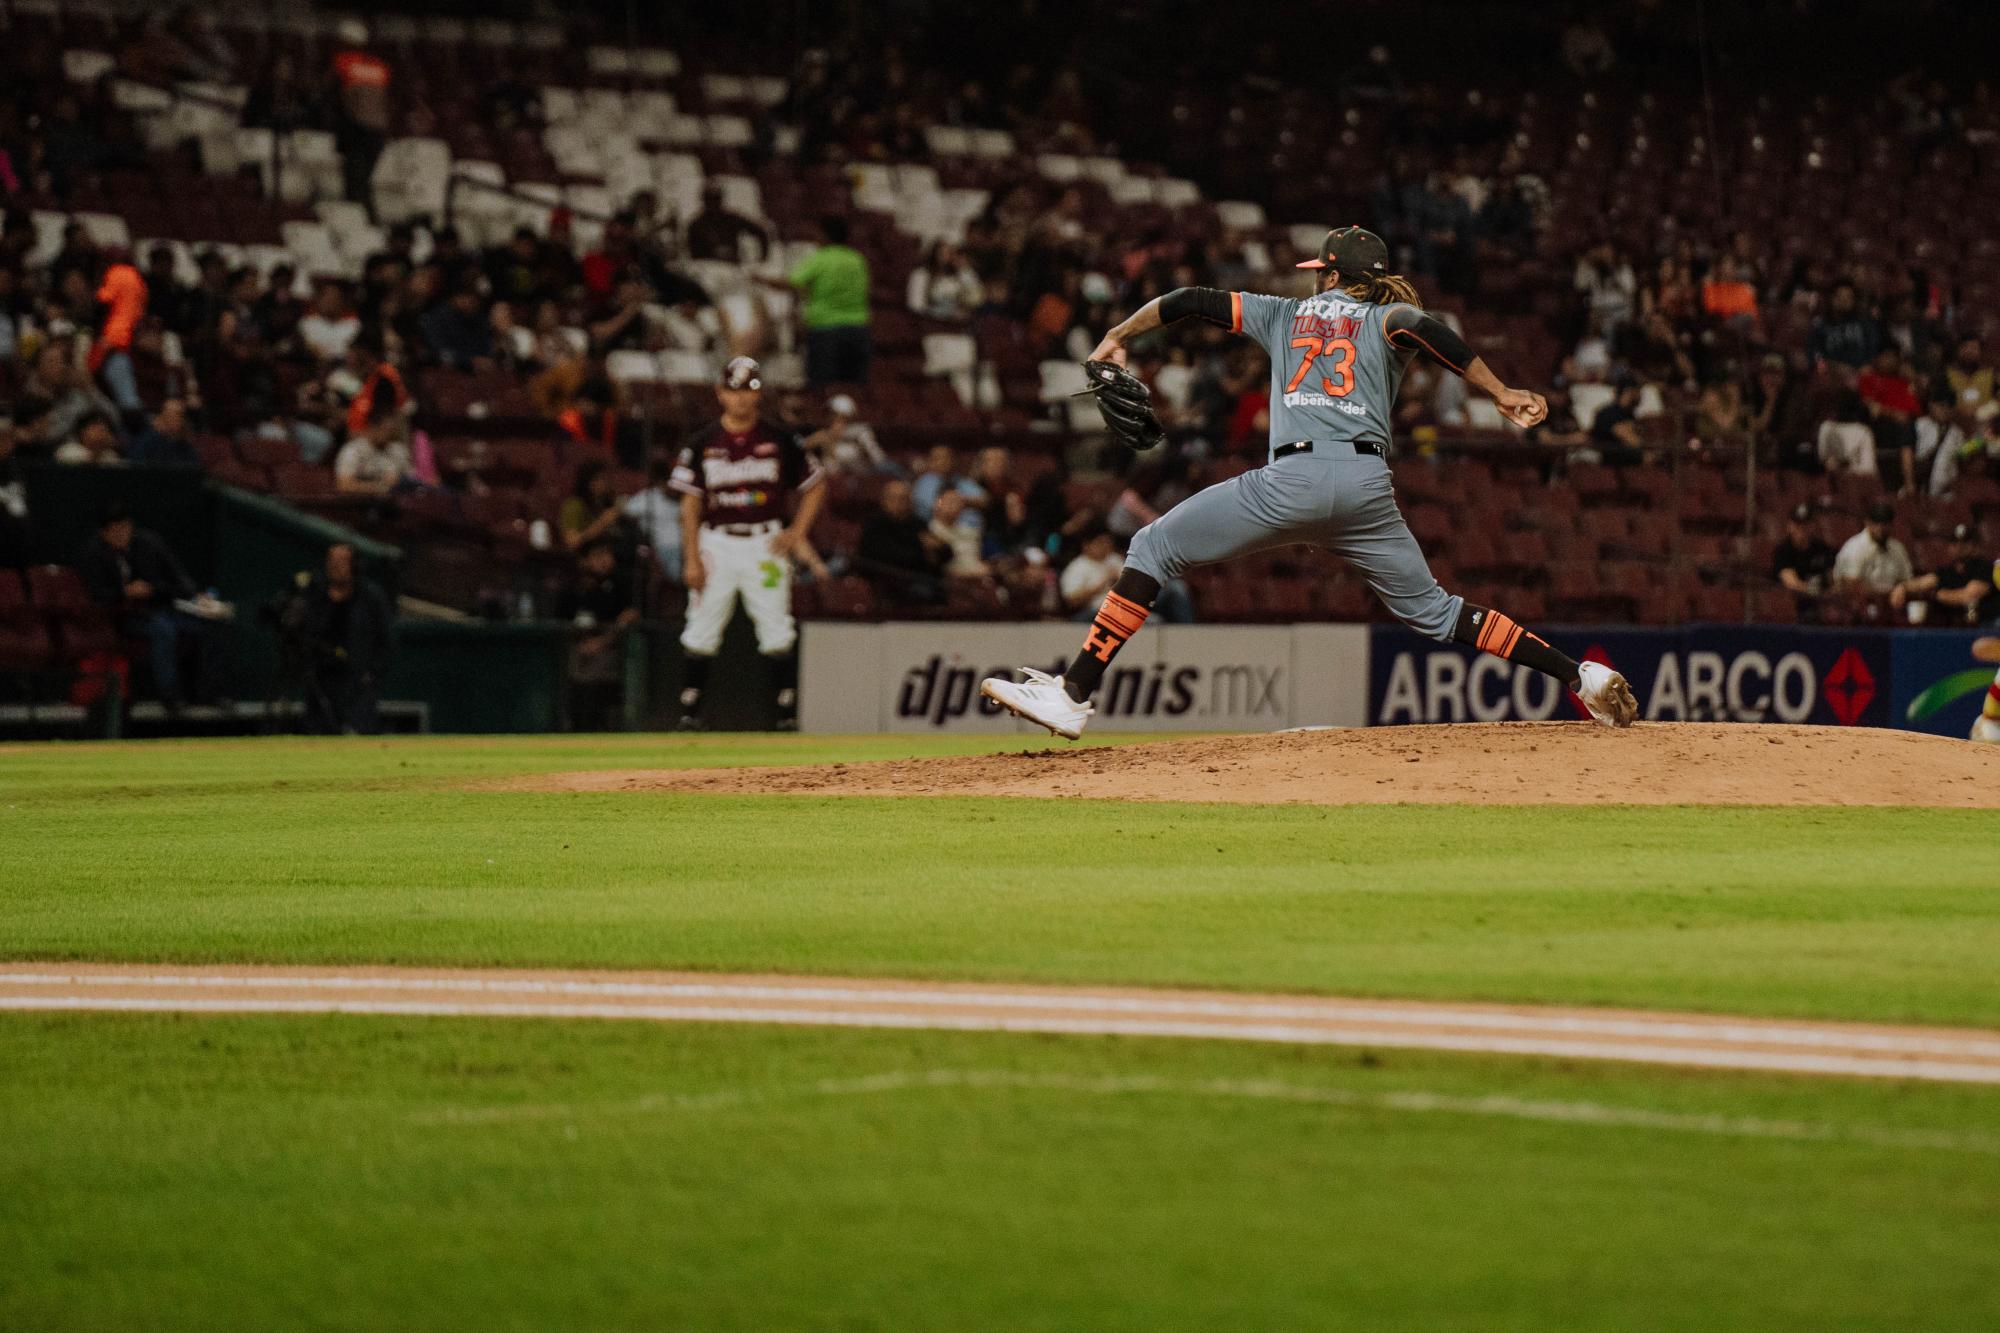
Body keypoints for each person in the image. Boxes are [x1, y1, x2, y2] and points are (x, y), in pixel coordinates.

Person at [981, 225, 1636, 738]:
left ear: (1329, 273)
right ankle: (1580, 673)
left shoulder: (1282, 314)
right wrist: (1498, 390)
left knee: (1152, 547)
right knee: (1437, 611)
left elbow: (1185, 302)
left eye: (1319, 268)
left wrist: (1118, 335)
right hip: (1365, 489)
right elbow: (1424, 328)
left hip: (1291, 480)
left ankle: (1072, 695)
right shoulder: (1386, 319)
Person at [671, 357, 824, 729]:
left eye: (749, 390)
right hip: (717, 543)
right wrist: (691, 557)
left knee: (776, 629)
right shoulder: (703, 441)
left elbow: (816, 483)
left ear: (759, 394)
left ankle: (785, 714)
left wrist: (797, 531)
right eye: (734, 390)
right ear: (721, 393)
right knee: (702, 627)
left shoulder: (779, 438)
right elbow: (690, 504)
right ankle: (689, 713)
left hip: (765, 542)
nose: (741, 398)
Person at [75, 503, 205, 708]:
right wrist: (124, 592)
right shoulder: (93, 554)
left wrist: (195, 594)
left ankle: (208, 694)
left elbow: (177, 576)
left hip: (160, 608)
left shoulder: (149, 543)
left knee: (206, 627)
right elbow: (96, 594)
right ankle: (170, 696)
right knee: (163, 630)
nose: (122, 533)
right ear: (104, 533)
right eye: (115, 530)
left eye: (125, 527)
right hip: (123, 617)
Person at [299, 542, 394, 734]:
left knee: (357, 733)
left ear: (354, 565)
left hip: (357, 683)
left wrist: (373, 672)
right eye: (331, 560)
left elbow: (386, 640)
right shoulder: (316, 595)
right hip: (321, 680)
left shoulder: (371, 597)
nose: (335, 566)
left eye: (341, 561)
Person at [559, 539, 640, 731]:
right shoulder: (572, 587)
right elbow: (560, 622)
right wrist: (582, 644)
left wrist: (602, 641)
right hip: (576, 650)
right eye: (598, 556)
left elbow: (631, 615)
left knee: (598, 674)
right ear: (584, 561)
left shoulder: (619, 584)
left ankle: (602, 728)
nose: (606, 560)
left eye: (608, 555)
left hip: (610, 650)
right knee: (574, 669)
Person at [782, 216, 871, 386]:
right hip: (858, 330)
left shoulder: (821, 258)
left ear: (825, 235)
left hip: (826, 330)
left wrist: (759, 279)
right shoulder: (857, 259)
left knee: (822, 387)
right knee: (855, 386)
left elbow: (792, 283)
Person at [857, 478, 949, 604]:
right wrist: (925, 555)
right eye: (894, 498)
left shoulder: (917, 523)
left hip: (924, 578)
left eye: (904, 498)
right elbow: (887, 556)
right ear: (884, 500)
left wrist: (934, 551)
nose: (900, 503)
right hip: (890, 582)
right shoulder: (875, 525)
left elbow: (946, 551)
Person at [1891, 524, 1998, 626]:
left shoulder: (1985, 567)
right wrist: (1902, 587)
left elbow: (1968, 596)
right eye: (1954, 543)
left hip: (1987, 624)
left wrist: (1936, 595)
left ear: (1974, 546)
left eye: (1965, 543)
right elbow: (1923, 582)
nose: (1959, 547)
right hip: (1957, 626)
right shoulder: (1948, 571)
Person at [623, 458, 686, 584]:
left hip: (688, 547)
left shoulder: (683, 500)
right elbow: (624, 508)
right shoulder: (650, 497)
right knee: (684, 576)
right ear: (663, 482)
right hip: (668, 550)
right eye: (673, 482)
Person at [1832, 500, 1915, 597]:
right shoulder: (1855, 547)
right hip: (1857, 604)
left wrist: (1899, 590)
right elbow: (1851, 584)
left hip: (1892, 603)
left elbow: (1906, 580)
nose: (1881, 528)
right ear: (1868, 523)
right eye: (1877, 523)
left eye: (1885, 523)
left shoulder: (1897, 548)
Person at [1770, 503, 1835, 617]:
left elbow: (1833, 579)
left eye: (1806, 525)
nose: (1802, 529)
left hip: (1823, 604)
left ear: (1813, 526)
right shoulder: (1783, 551)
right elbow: (1791, 584)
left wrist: (1832, 592)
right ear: (1790, 526)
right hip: (1793, 604)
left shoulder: (1823, 549)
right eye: (1797, 525)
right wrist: (1816, 592)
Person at [685, 184, 770, 263]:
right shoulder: (696, 225)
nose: (713, 204)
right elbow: (693, 254)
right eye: (709, 200)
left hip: (732, 267)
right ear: (704, 201)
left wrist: (763, 259)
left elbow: (761, 232)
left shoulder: (732, 219)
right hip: (707, 267)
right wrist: (714, 252)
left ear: (721, 200)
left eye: (716, 199)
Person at [127, 398, 199, 468]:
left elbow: (194, 469)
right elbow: (136, 469)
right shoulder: (144, 443)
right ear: (161, 417)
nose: (181, 421)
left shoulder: (184, 445)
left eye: (182, 416)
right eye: (177, 415)